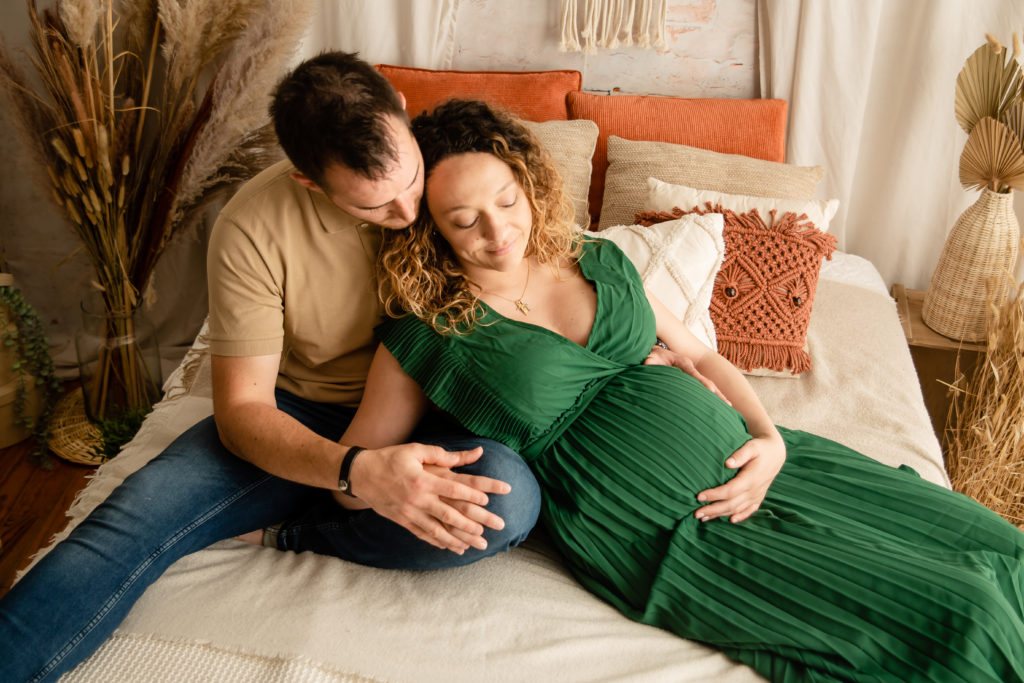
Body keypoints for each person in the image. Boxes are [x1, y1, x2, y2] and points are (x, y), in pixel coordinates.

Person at [339, 98, 1024, 682]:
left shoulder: (596, 258)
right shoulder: (428, 331)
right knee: (966, 618)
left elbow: (702, 354)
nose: (497, 230)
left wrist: (770, 438)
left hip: (770, 466)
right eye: (464, 221)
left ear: (526, 182)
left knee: (996, 545)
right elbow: (357, 467)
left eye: (507, 200)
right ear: (431, 228)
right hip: (670, 527)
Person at [0, 53, 544, 683]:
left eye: (412, 179)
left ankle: (301, 533)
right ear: (309, 182)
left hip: (444, 408)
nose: (406, 212)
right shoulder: (251, 227)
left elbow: (562, 264)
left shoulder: (466, 167)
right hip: (307, 419)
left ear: (399, 104)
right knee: (125, 524)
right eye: (373, 208)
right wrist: (354, 471)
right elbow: (244, 412)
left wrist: (677, 351)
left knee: (507, 495)